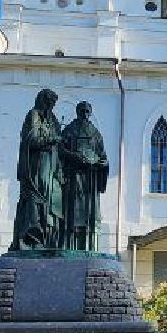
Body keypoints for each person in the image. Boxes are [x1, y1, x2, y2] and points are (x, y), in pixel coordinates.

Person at [11, 89, 64, 250]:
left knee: (51, 201)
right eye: (49, 102)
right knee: (36, 198)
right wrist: (51, 139)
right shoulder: (34, 115)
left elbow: (59, 145)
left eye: (53, 104)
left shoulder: (52, 120)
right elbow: (31, 140)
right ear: (43, 101)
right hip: (37, 165)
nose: (51, 106)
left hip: (51, 166)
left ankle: (47, 240)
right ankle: (32, 238)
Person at [59, 101, 109, 252]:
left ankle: (89, 247)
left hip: (90, 179)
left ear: (90, 113)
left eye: (87, 111)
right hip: (73, 177)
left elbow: (102, 155)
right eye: (82, 111)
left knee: (90, 214)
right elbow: (60, 150)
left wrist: (103, 163)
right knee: (72, 213)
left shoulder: (95, 134)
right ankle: (70, 245)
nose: (85, 114)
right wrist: (74, 156)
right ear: (77, 112)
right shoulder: (69, 130)